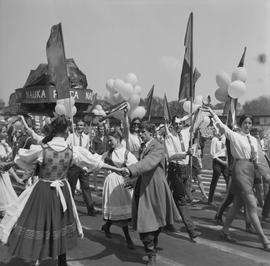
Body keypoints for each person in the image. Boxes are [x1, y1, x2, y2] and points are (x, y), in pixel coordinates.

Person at [0, 115, 122, 266]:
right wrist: (118, 168)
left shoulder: (42, 149)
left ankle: (38, 256)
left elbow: (21, 160)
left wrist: (16, 166)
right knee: (60, 224)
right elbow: (96, 162)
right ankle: (61, 262)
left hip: (43, 190)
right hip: (62, 191)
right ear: (66, 131)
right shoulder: (72, 150)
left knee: (40, 224)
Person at [205, 107, 270, 250]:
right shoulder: (235, 136)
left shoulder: (253, 139)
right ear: (241, 124)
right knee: (252, 205)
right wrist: (213, 113)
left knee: (237, 204)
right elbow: (222, 126)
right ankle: (264, 240)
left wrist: (266, 173)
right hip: (240, 169)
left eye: (250, 123)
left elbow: (260, 158)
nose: (248, 125)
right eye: (245, 123)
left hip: (251, 170)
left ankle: (225, 230)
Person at [121, 122, 181, 266]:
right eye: (139, 131)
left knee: (156, 221)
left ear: (151, 133)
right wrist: (133, 180)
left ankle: (152, 246)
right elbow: (145, 169)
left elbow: (148, 163)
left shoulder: (158, 147)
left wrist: (131, 170)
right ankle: (150, 252)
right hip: (144, 188)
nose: (140, 134)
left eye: (143, 131)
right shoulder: (145, 146)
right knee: (146, 222)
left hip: (155, 188)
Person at [164, 115, 201, 240]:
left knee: (174, 197)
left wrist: (201, 108)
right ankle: (191, 229)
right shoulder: (169, 137)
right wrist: (185, 154)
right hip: (175, 169)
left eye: (180, 123)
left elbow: (197, 121)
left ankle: (165, 221)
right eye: (176, 124)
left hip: (186, 169)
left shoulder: (186, 132)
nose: (178, 126)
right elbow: (170, 156)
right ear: (172, 125)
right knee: (181, 199)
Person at [101, 129, 137, 249]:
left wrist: (132, 180)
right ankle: (128, 239)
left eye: (111, 140)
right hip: (112, 184)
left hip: (123, 183)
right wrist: (87, 169)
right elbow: (97, 162)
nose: (109, 142)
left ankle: (107, 226)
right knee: (121, 212)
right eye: (108, 140)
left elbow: (136, 167)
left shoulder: (127, 153)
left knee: (122, 209)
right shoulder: (108, 153)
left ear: (118, 139)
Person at [66, 120, 96, 216]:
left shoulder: (86, 138)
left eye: (81, 125)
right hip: (74, 165)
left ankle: (91, 209)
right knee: (71, 187)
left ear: (84, 127)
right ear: (75, 126)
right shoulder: (70, 137)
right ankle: (70, 209)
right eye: (78, 125)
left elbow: (87, 151)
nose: (79, 127)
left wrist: (88, 164)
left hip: (83, 166)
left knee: (86, 187)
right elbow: (67, 148)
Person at [208, 128, 229, 205]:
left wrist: (226, 161)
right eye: (218, 131)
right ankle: (210, 199)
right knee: (215, 178)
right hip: (217, 161)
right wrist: (221, 161)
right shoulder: (214, 139)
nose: (219, 132)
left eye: (220, 131)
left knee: (228, 180)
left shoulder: (225, 138)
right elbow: (212, 153)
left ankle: (228, 199)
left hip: (225, 160)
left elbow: (227, 150)